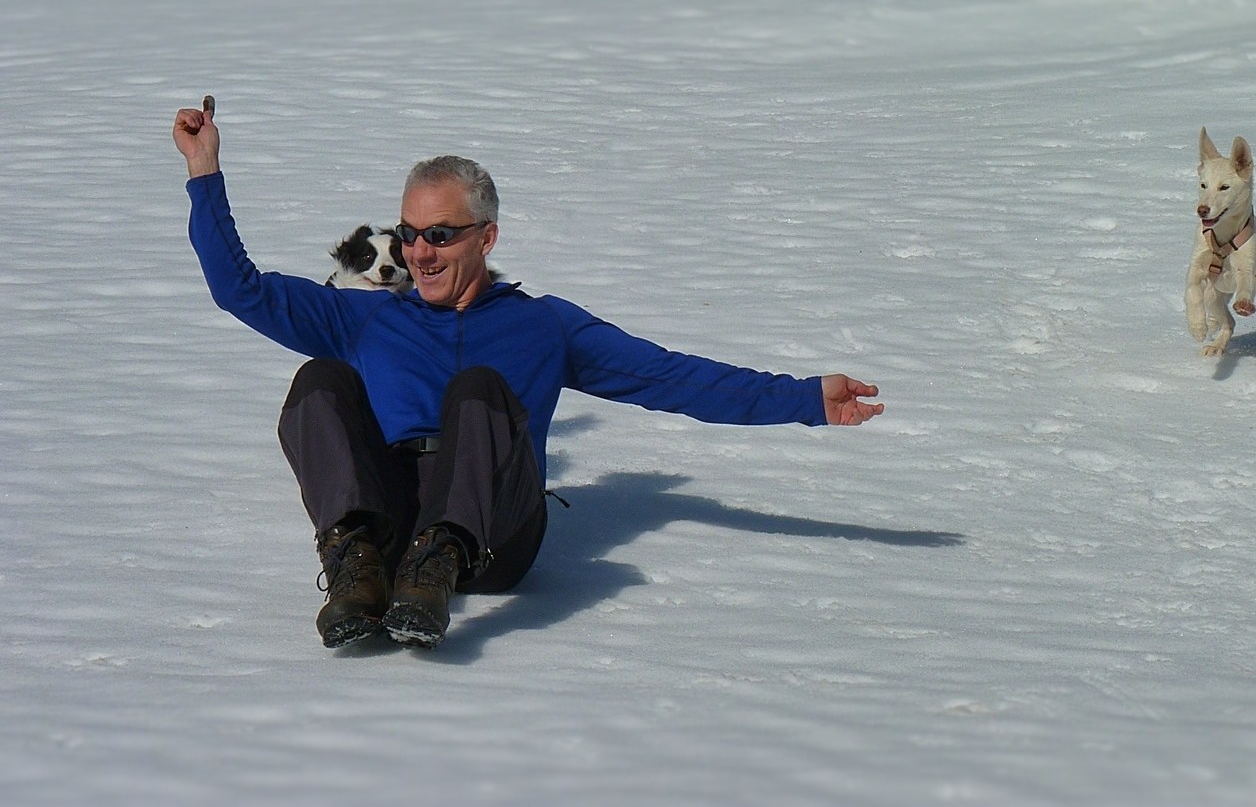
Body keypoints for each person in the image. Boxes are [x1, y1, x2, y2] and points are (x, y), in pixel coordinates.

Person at [172, 97, 885, 650]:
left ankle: (440, 562)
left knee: (477, 389)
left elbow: (670, 376)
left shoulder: (544, 326)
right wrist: (204, 172)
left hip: (496, 540)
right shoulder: (368, 318)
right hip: (396, 522)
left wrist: (805, 398)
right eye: (411, 232)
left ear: (486, 237)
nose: (419, 252)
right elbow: (243, 290)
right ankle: (359, 564)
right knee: (319, 381)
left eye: (441, 234)